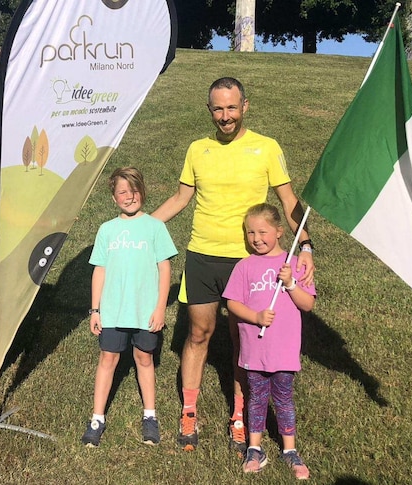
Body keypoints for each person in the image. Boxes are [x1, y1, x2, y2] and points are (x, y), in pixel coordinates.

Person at [151, 77, 314, 454]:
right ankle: (189, 412)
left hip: (248, 261)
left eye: (231, 107)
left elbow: (289, 201)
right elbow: (180, 198)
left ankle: (240, 415)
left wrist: (305, 243)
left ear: (245, 106)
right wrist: (143, 228)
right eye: (218, 109)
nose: (225, 116)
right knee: (198, 334)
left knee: (243, 339)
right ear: (209, 110)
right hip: (203, 255)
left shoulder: (266, 148)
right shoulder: (197, 149)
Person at [80, 167, 178, 447]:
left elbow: (164, 269)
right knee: (108, 360)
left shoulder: (155, 227)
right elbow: (99, 270)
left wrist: (160, 308)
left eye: (134, 190)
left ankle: (150, 416)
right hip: (112, 311)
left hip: (145, 311)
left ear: (142, 192)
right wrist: (95, 310)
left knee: (144, 359)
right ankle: (97, 418)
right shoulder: (107, 230)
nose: (129, 196)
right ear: (113, 198)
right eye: (122, 191)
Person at [222, 204, 314, 478]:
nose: (256, 238)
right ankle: (255, 448)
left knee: (284, 399)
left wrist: (291, 284)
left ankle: (289, 450)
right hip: (254, 348)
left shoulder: (295, 264)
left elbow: (307, 304)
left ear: (280, 232)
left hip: (283, 350)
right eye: (250, 232)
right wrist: (256, 316)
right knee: (257, 398)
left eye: (263, 231)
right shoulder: (244, 266)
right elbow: (232, 303)